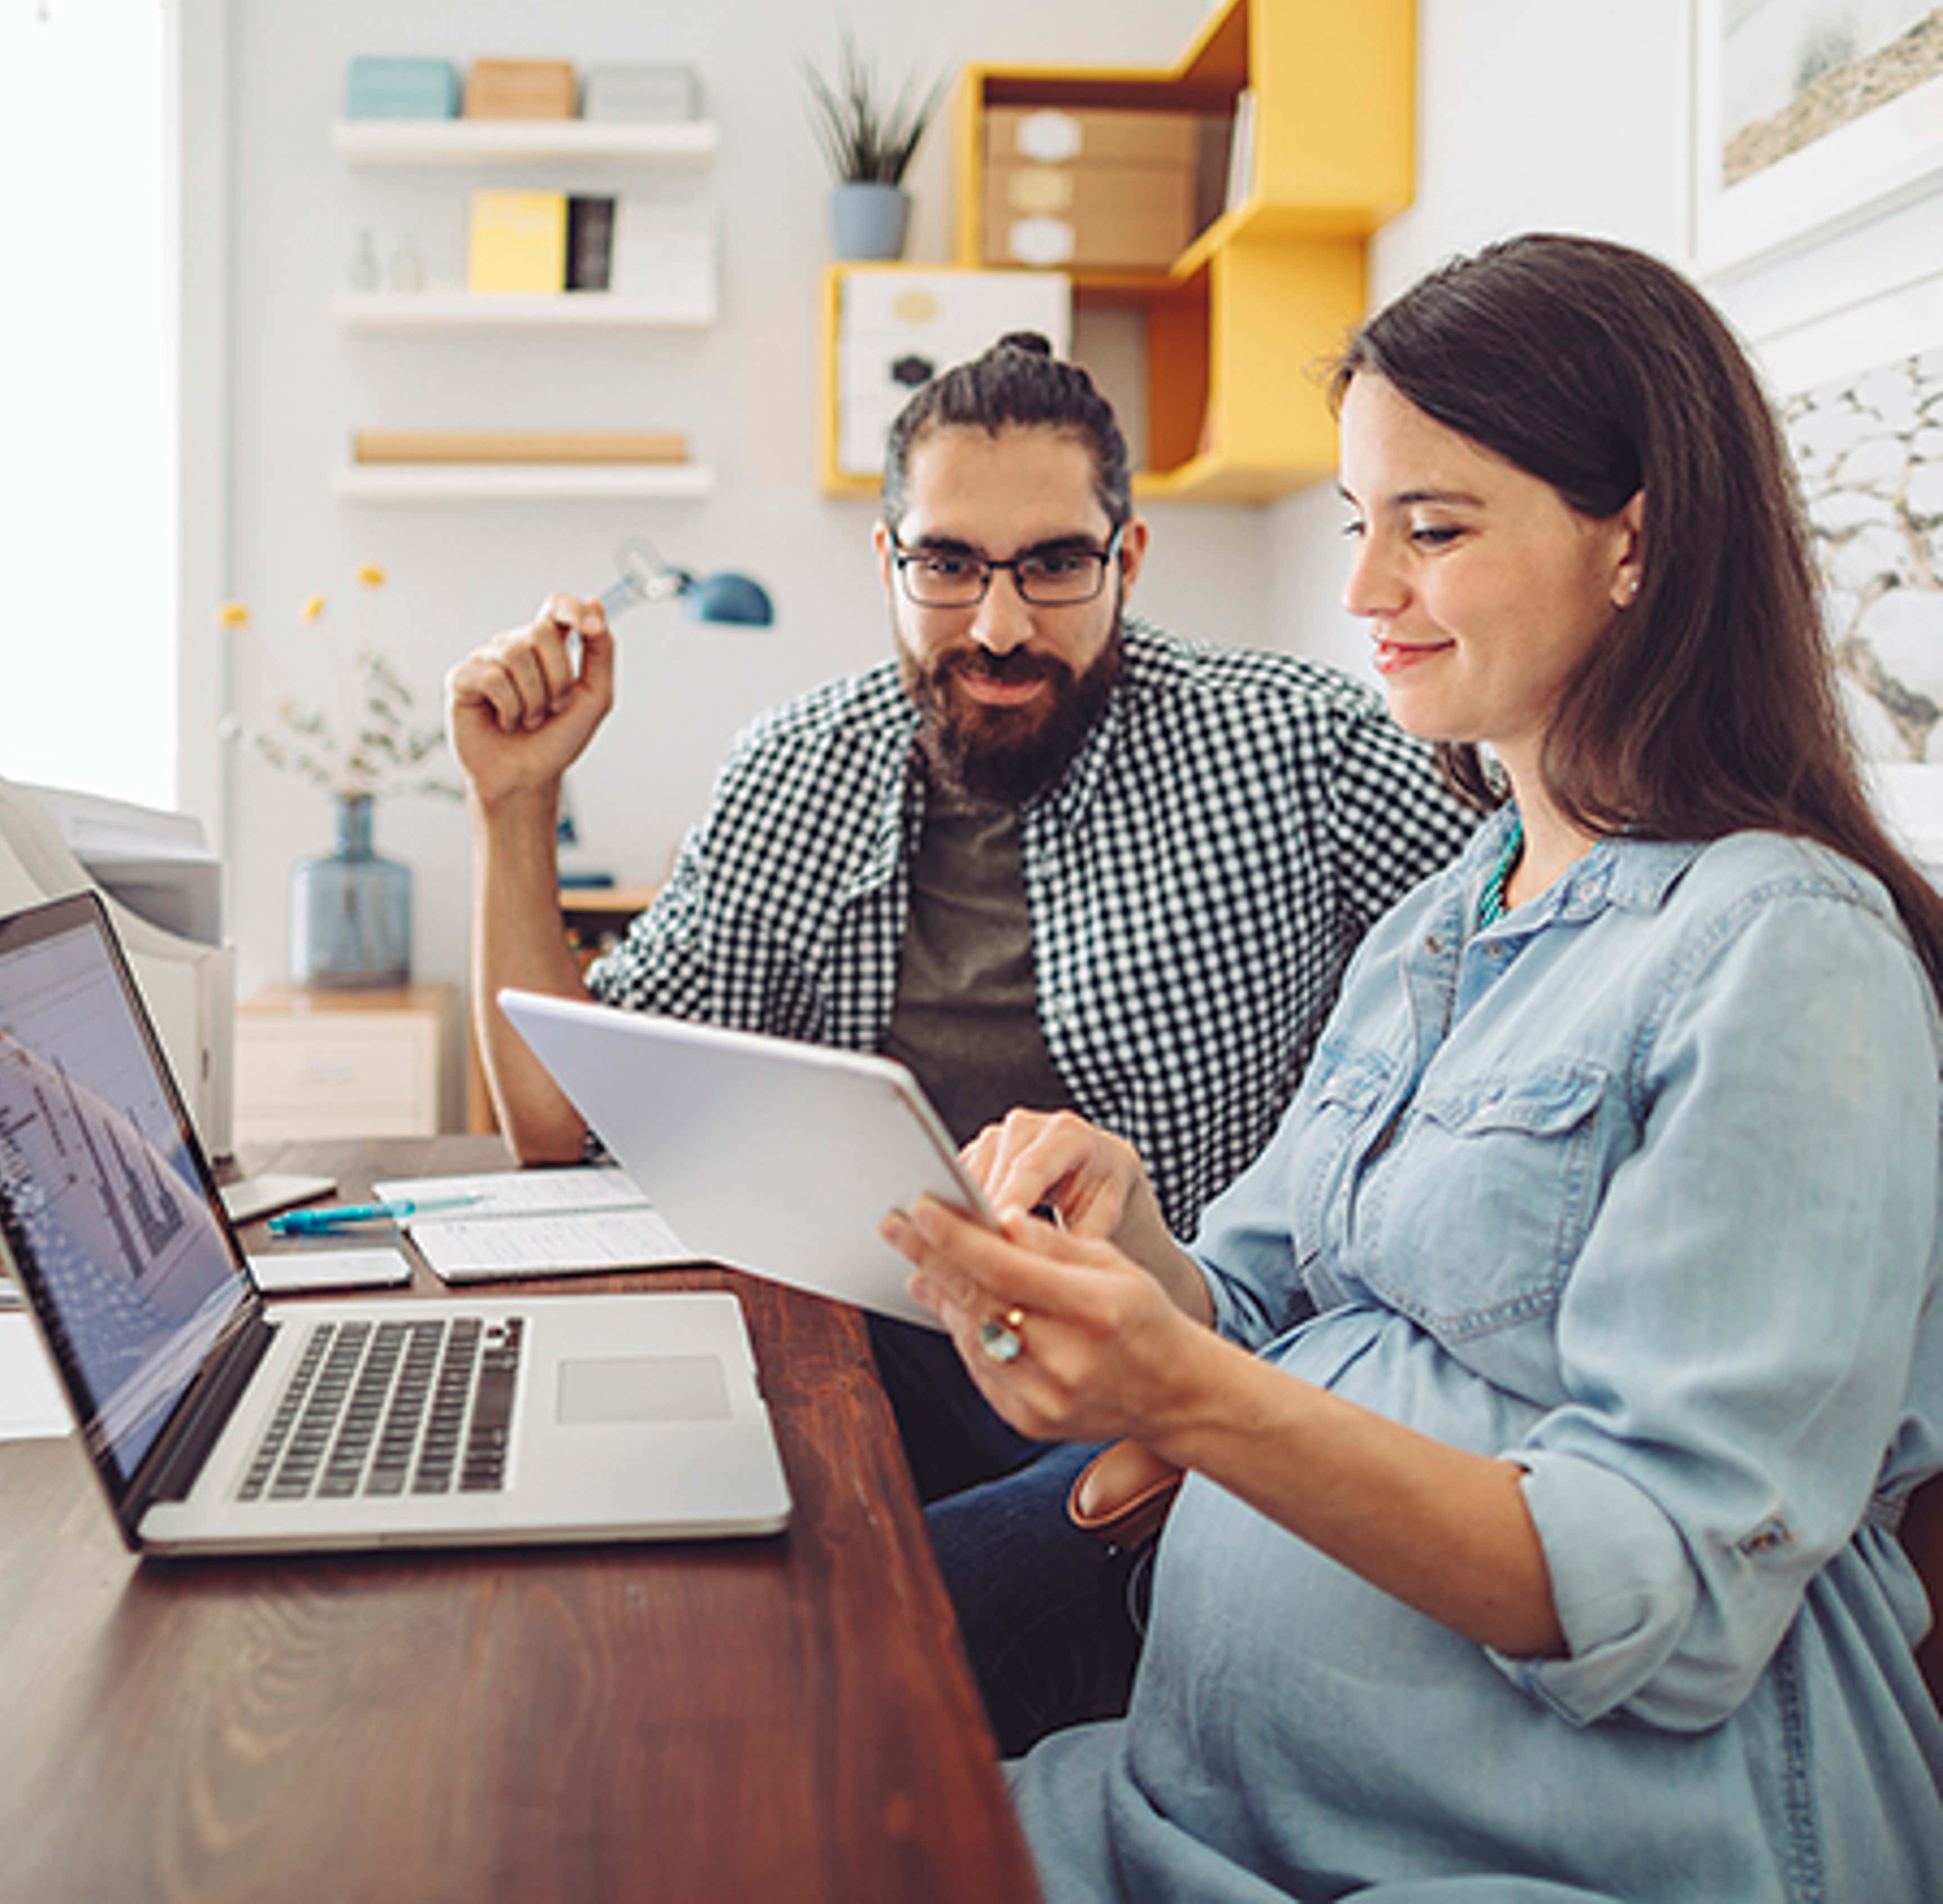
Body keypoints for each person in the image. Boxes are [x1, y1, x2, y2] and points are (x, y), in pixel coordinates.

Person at [885, 234, 1943, 1900]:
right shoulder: (1447, 920)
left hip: (1539, 1859)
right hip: (1196, 1805)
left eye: (1431, 531)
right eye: (1357, 527)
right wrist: (1138, 1245)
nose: (1366, 594)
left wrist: (1178, 1393)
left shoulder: (1783, 954)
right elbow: (1264, 1312)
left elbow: (1663, 1599)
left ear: (1635, 546)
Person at [445, 336, 1471, 1518]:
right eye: (947, 565)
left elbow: (1535, 967)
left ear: (1126, 558)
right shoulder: (794, 771)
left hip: (1177, 1391)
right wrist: (513, 798)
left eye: (1052, 566)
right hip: (881, 1353)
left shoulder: (1302, 747)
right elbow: (556, 1123)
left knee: (868, 1618)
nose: (995, 627)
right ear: (888, 561)